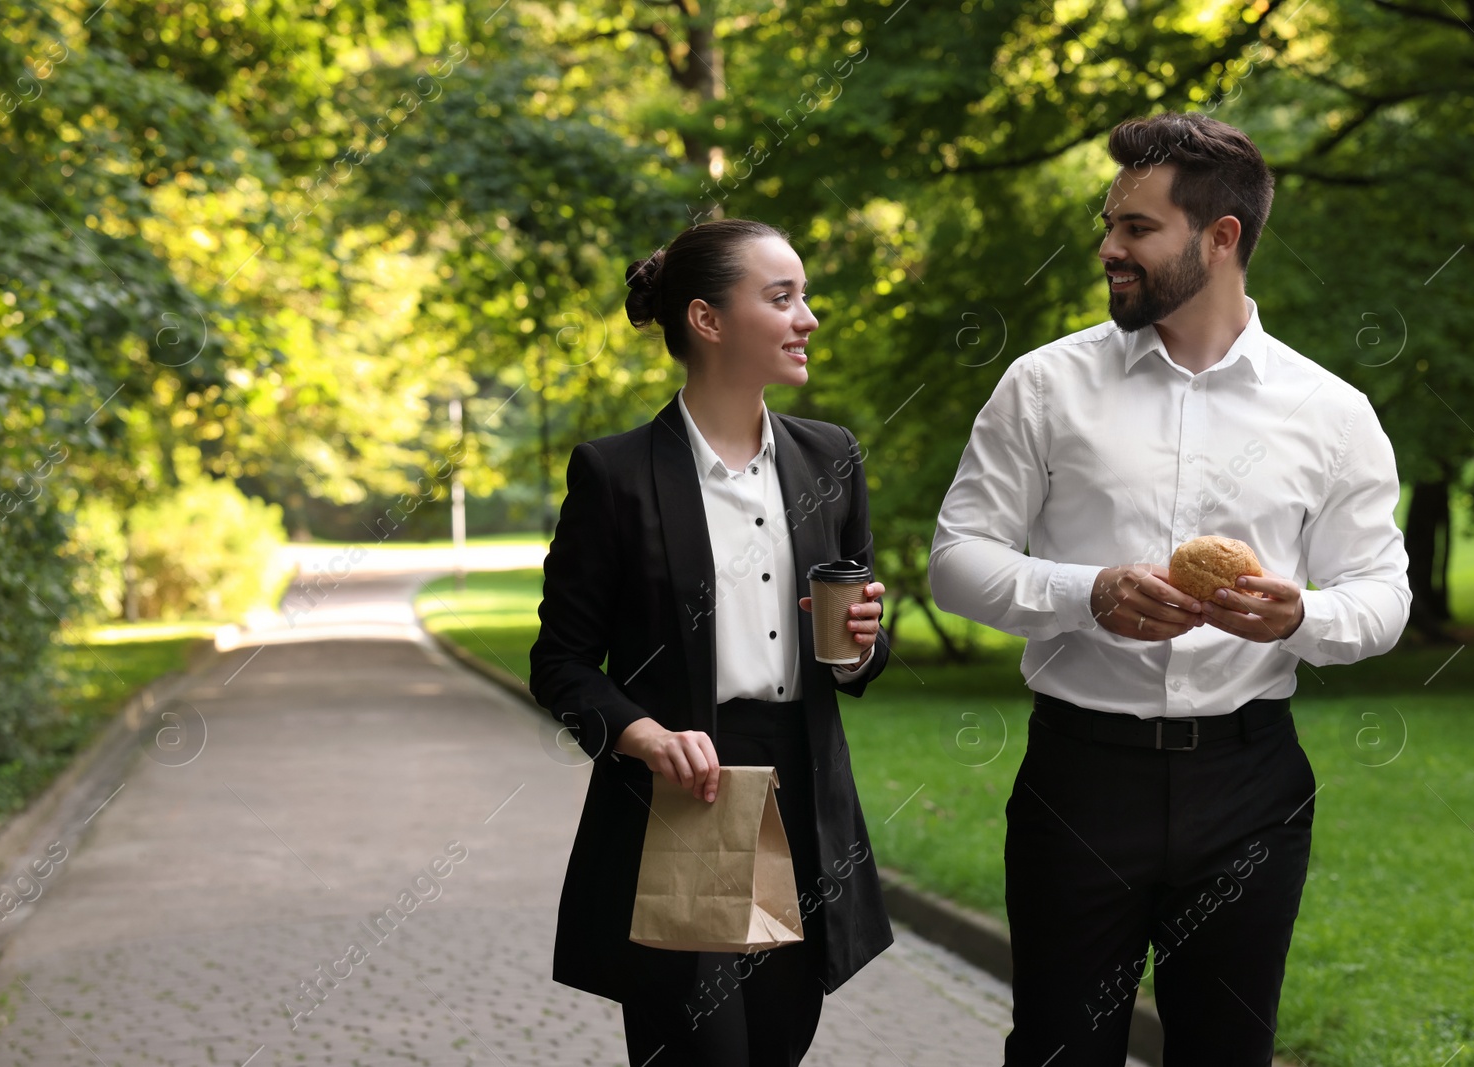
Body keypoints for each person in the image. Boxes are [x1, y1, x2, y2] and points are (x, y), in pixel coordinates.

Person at [927, 112, 1412, 1066]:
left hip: (1250, 786)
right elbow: (956, 558)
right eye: (1110, 224)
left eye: (1137, 229)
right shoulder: (1042, 385)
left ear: (1220, 237)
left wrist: (1303, 613)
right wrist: (1087, 592)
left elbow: (1383, 594)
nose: (1108, 247)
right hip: (1079, 778)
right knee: (1059, 1049)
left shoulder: (1332, 411)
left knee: (1228, 1050)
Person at [529, 217, 895, 1067]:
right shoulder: (616, 474)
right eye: (782, 297)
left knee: (775, 1045)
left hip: (802, 791)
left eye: (802, 295)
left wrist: (861, 644)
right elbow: (561, 662)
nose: (808, 317)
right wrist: (642, 735)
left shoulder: (830, 457)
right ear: (707, 319)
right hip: (685, 796)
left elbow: (860, 647)